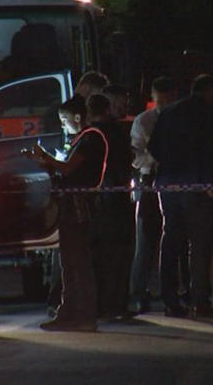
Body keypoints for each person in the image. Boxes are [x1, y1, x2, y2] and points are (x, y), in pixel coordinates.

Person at [25, 96, 108, 332]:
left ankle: (83, 315)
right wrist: (44, 162)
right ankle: (69, 312)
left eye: (64, 119)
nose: (62, 125)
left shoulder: (90, 138)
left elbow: (68, 168)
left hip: (79, 207)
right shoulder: (80, 140)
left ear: (77, 117)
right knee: (69, 263)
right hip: (70, 206)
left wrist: (45, 158)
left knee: (78, 264)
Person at [148, 74, 213, 318]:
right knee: (200, 244)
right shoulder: (208, 114)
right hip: (196, 186)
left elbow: (153, 147)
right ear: (209, 91)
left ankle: (170, 301)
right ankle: (199, 301)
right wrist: (208, 182)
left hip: (168, 185)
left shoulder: (169, 112)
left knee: (171, 241)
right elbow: (210, 151)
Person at [128, 76, 178, 314]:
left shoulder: (181, 119)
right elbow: (136, 156)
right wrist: (154, 157)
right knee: (146, 240)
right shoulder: (144, 121)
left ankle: (171, 293)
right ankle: (139, 293)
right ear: (153, 98)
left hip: (175, 179)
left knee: (174, 241)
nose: (164, 105)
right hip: (150, 180)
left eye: (167, 100)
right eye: (160, 101)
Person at [87, 93, 135, 319]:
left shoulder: (89, 135)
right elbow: (128, 161)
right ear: (107, 109)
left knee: (99, 255)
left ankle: (100, 304)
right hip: (118, 199)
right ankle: (117, 304)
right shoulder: (118, 132)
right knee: (119, 254)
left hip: (98, 202)